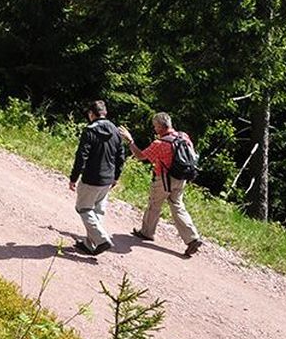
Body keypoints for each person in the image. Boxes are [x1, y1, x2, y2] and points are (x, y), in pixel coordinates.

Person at [119, 112, 203, 258]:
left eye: (155, 126)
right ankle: (192, 238)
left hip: (164, 179)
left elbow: (140, 156)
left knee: (154, 204)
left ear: (160, 126)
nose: (154, 128)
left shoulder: (160, 144)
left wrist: (130, 141)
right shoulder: (184, 136)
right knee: (177, 205)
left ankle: (147, 232)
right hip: (182, 178)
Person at [68, 100, 127, 256]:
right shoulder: (116, 131)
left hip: (91, 178)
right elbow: (121, 156)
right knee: (97, 211)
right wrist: (116, 176)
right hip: (107, 179)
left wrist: (74, 177)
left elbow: (81, 156)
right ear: (105, 113)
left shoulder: (89, 131)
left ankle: (101, 240)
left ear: (91, 114)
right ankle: (89, 244)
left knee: (83, 208)